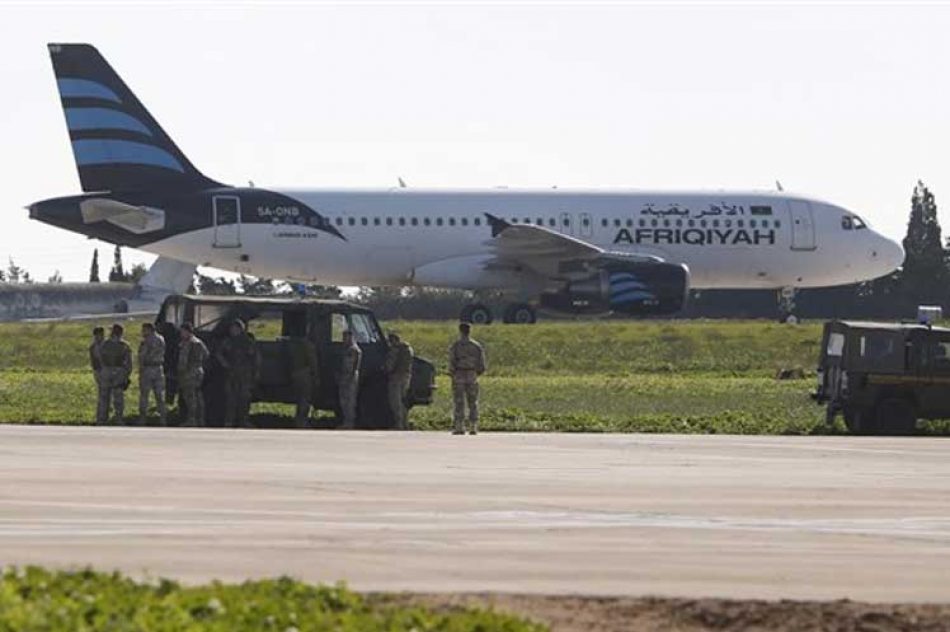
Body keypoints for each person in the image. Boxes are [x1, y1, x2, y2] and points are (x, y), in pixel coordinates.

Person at [216, 320, 260, 428]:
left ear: (241, 329)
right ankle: (229, 421)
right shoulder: (228, 342)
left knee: (244, 399)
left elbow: (256, 358)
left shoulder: (248, 342)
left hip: (245, 374)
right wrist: (225, 363)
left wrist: (255, 372)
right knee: (231, 399)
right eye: (232, 328)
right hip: (232, 374)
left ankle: (244, 421)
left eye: (236, 328)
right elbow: (219, 353)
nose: (233, 331)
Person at [448, 322, 486, 435]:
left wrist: (452, 373)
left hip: (459, 373)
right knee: (473, 401)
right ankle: (473, 426)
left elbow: (452, 361)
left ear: (460, 331)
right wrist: (476, 372)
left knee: (459, 401)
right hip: (472, 374)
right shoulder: (476, 346)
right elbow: (481, 363)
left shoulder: (456, 345)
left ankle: (459, 425)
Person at [97, 323, 132, 425]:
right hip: (119, 371)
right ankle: (118, 418)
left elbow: (100, 358)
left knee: (104, 397)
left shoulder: (104, 344)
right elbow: (128, 362)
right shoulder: (124, 345)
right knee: (118, 398)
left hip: (106, 371)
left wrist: (102, 370)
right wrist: (126, 375)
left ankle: (102, 419)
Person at [177, 323, 209, 427]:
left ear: (187, 331)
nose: (181, 333)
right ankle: (199, 419)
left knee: (191, 396)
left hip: (191, 373)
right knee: (196, 395)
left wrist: (194, 365)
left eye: (182, 331)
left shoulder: (193, 343)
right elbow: (206, 354)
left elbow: (204, 355)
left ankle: (193, 419)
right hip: (194, 371)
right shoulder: (192, 342)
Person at [287, 336, 320, 428]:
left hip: (295, 373)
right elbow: (313, 362)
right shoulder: (309, 346)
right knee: (305, 398)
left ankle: (298, 419)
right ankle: (302, 421)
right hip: (305, 374)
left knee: (299, 398)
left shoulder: (296, 346)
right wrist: (316, 376)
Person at [138, 322, 167, 426]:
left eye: (144, 330)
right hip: (159, 368)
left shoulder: (146, 341)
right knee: (160, 396)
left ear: (149, 329)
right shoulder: (161, 339)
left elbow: (142, 356)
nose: (142, 332)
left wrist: (140, 370)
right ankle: (163, 419)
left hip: (148, 369)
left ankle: (142, 419)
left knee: (144, 395)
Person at [383, 332, 414, 430]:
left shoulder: (395, 350)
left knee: (395, 401)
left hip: (396, 378)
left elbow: (390, 365)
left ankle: (399, 424)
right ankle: (405, 423)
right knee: (403, 400)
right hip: (406, 376)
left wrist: (385, 369)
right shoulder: (408, 349)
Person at [337, 330, 362, 429]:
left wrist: (348, 378)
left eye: (345, 337)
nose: (344, 339)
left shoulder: (353, 350)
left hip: (350, 377)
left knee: (349, 401)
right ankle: (346, 421)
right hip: (344, 377)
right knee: (344, 401)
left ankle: (349, 422)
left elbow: (351, 366)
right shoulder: (346, 349)